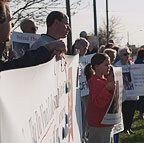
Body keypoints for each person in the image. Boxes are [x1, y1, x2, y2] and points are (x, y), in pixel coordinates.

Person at [0, 2, 68, 71]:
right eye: (10, 20)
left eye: (36, 28)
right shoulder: (41, 43)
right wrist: (47, 49)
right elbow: (20, 66)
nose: (13, 24)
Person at [86, 53, 116, 143]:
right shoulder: (96, 82)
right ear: (97, 66)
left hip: (105, 123)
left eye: (109, 64)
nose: (109, 67)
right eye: (106, 64)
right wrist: (107, 89)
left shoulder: (103, 80)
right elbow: (97, 102)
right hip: (99, 124)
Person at [114, 47, 138, 135]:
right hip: (123, 93)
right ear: (120, 56)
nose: (127, 56)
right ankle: (124, 128)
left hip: (133, 93)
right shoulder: (117, 66)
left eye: (128, 54)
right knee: (125, 111)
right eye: (125, 54)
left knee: (131, 111)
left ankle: (129, 127)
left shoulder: (132, 64)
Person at [72, 37, 89, 143]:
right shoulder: (72, 58)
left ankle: (84, 135)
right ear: (78, 47)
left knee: (86, 116)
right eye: (85, 47)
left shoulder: (87, 59)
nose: (86, 49)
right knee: (79, 115)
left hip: (86, 91)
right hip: (77, 93)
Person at [135, 46, 144, 119]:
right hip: (141, 81)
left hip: (139, 82)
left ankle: (141, 114)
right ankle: (141, 114)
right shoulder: (139, 61)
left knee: (141, 98)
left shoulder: (137, 61)